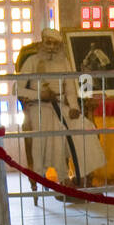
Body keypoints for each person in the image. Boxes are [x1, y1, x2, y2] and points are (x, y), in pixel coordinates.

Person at [16, 29, 107, 202]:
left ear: (59, 46)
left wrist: (73, 107)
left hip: (61, 106)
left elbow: (71, 89)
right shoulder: (32, 61)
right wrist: (40, 95)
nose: (51, 48)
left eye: (55, 44)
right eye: (48, 43)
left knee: (84, 126)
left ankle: (83, 178)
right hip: (39, 107)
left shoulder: (64, 62)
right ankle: (62, 179)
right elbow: (17, 89)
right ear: (42, 42)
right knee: (55, 129)